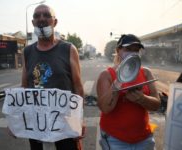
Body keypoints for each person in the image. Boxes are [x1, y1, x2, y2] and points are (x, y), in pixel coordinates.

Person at [21, 4, 84, 150]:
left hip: (65, 121)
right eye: (37, 16)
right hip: (37, 122)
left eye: (46, 15)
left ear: (55, 22)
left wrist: (79, 119)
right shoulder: (27, 51)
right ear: (33, 23)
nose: (41, 19)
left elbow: (78, 87)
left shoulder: (68, 49)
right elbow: (24, 87)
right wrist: (17, 121)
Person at [96, 34, 160, 150]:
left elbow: (156, 105)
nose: (133, 53)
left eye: (136, 50)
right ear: (118, 50)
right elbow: (105, 108)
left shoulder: (146, 73)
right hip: (115, 139)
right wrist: (120, 79)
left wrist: (142, 99)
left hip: (144, 138)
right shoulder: (106, 75)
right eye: (128, 49)